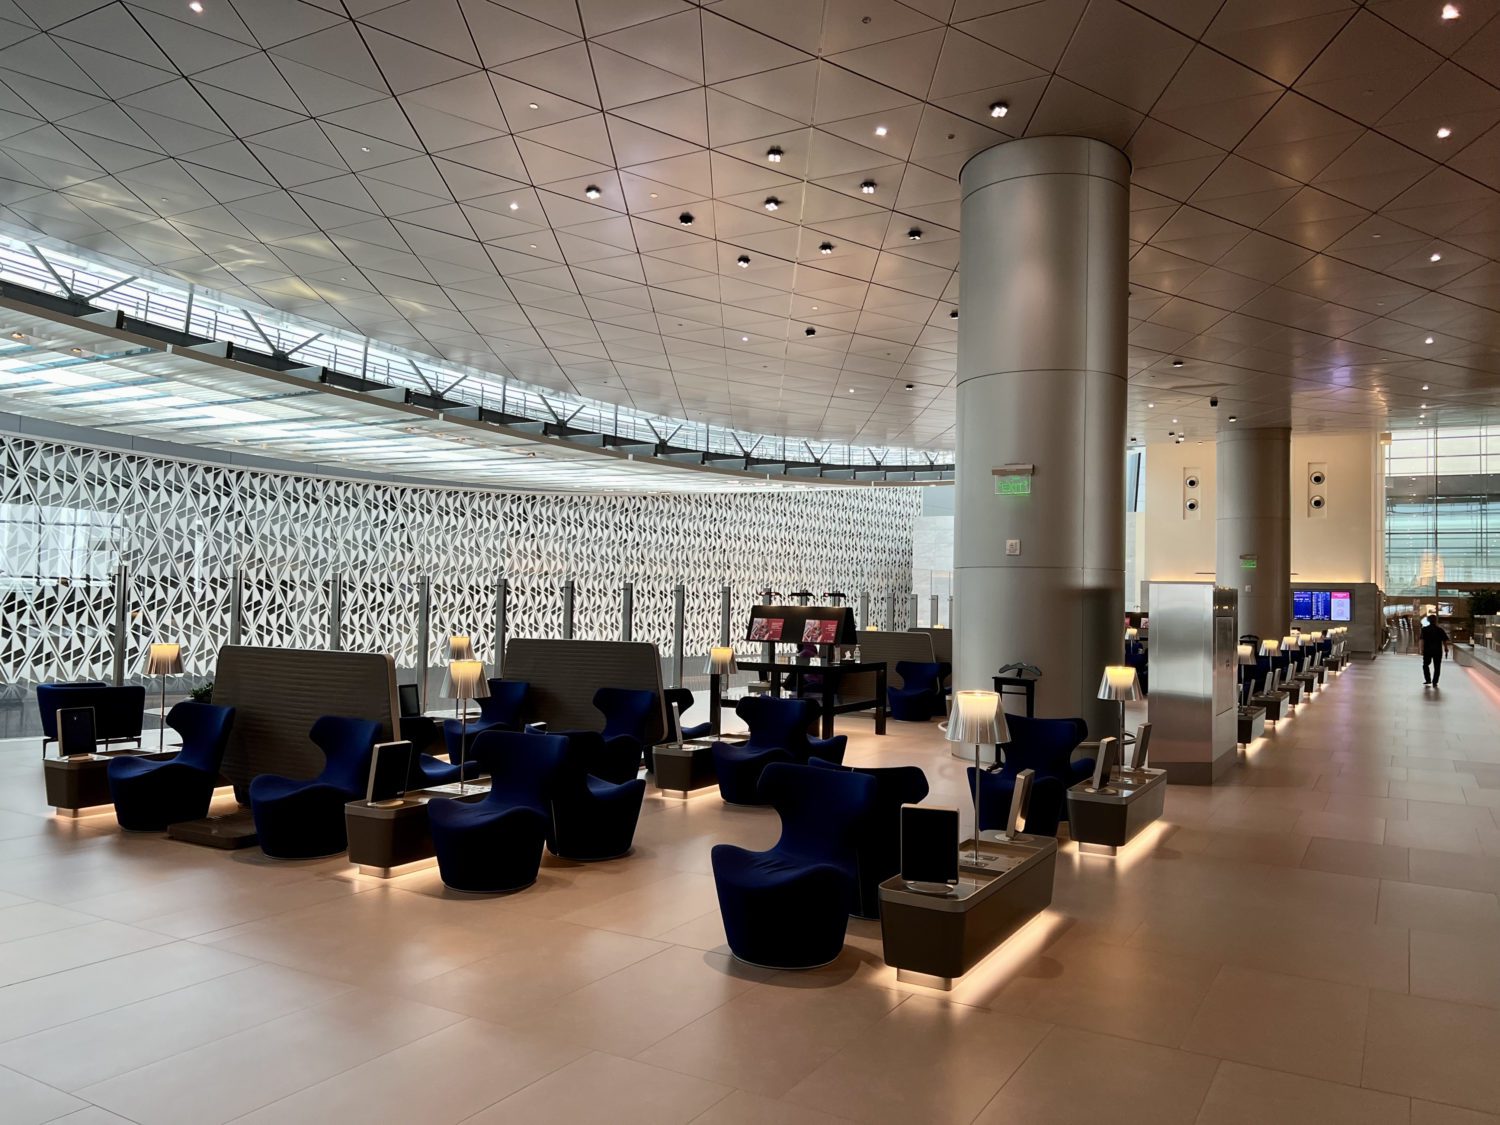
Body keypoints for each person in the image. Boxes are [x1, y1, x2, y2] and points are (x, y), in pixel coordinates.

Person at [1419, 615, 1451, 687]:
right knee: (1437, 666)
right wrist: (1446, 649)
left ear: (1428, 620)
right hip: (1437, 650)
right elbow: (1444, 640)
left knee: (1425, 665)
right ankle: (1435, 681)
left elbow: (1422, 640)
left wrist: (1422, 649)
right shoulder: (1440, 630)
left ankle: (1428, 679)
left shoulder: (1424, 629)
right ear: (1436, 621)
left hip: (1427, 650)